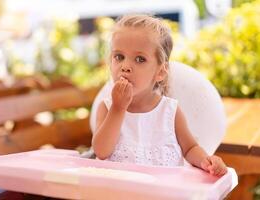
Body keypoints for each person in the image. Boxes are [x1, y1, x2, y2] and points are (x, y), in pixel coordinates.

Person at [92, 14, 227, 176]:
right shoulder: (107, 108)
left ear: (161, 72)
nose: (125, 66)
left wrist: (206, 161)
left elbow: (190, 148)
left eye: (140, 59)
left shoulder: (170, 111)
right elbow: (101, 152)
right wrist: (118, 108)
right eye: (119, 57)